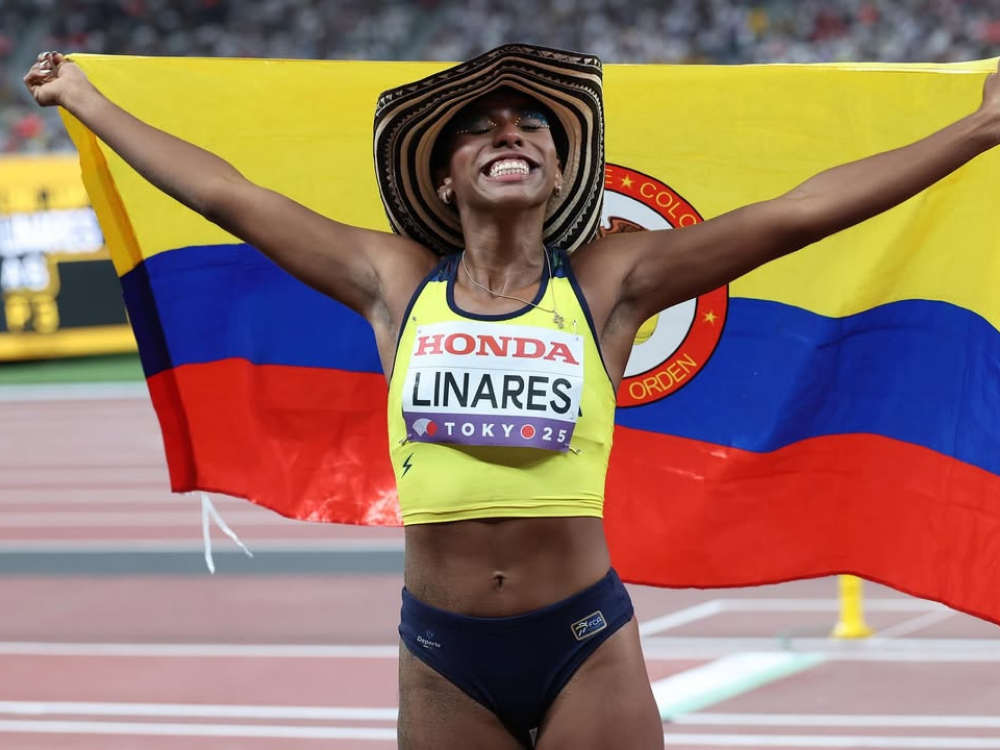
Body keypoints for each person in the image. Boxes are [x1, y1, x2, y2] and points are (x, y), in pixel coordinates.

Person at [24, 43, 1000, 749]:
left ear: (558, 168)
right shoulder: (393, 280)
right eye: (479, 127)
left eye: (532, 123)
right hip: (442, 653)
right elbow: (230, 197)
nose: (510, 131)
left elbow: (794, 214)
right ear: (444, 178)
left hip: (583, 646)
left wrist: (977, 130)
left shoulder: (612, 282)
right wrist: (89, 101)